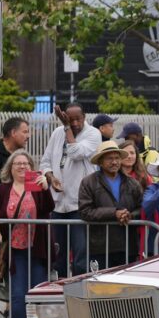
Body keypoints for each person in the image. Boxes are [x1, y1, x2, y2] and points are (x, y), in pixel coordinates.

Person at [0, 151, 54, 318]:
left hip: (38, 249)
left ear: (31, 167)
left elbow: (49, 207)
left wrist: (45, 188)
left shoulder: (38, 186)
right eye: (17, 164)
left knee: (38, 294)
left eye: (26, 164)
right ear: (10, 168)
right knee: (18, 294)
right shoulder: (4, 189)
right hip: (15, 251)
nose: (22, 167)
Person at [39, 103, 101, 277]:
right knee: (58, 256)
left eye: (77, 119)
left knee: (81, 257)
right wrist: (51, 178)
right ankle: (60, 295)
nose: (74, 123)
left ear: (85, 117)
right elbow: (45, 162)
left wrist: (66, 127)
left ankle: (80, 293)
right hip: (58, 205)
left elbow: (75, 153)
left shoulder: (93, 134)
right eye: (69, 119)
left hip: (80, 205)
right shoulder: (57, 133)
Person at [78, 141, 145, 269]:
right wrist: (114, 213)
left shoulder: (133, 183)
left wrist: (128, 215)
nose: (114, 162)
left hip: (127, 245)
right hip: (100, 246)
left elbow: (141, 208)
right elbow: (85, 211)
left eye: (117, 158)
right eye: (109, 158)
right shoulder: (88, 182)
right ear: (101, 162)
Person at [0, 117, 30, 184]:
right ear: (13, 132)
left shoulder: (21, 154)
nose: (28, 136)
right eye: (25, 132)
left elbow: (29, 185)